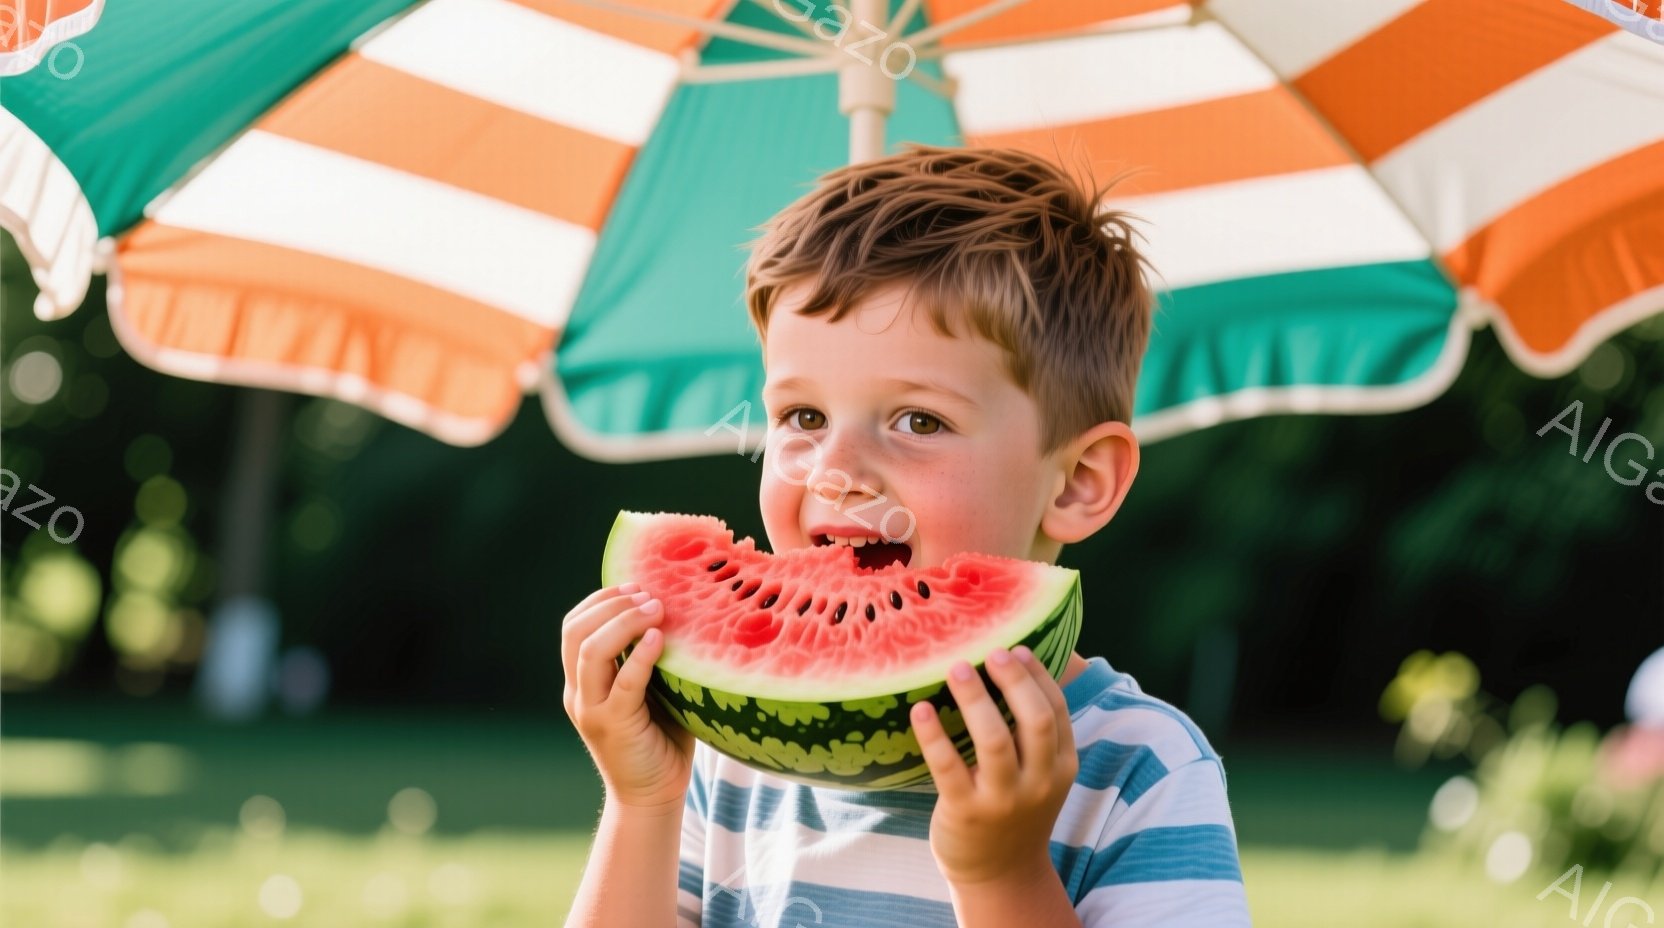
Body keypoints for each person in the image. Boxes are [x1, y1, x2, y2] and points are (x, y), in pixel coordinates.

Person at [561, 144, 1252, 927]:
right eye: (803, 417)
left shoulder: (1139, 770)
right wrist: (642, 800)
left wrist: (1003, 874)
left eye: (919, 421)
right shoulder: (724, 758)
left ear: (1079, 480)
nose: (837, 470)